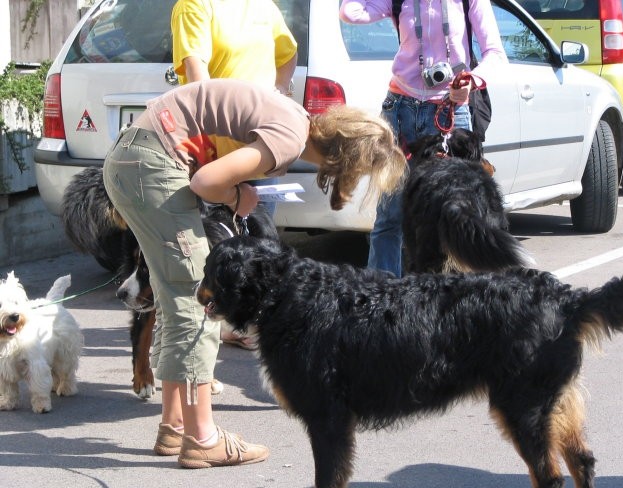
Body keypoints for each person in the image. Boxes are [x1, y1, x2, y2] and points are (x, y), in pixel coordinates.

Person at [102, 78, 406, 468]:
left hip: (135, 158)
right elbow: (206, 181)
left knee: (174, 296)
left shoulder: (295, 117)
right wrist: (237, 196)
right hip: (151, 164)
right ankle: (202, 438)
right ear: (343, 162)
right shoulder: (288, 139)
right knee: (197, 302)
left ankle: (174, 427)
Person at [340, 0, 507, 277]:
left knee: (457, 213)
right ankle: (382, 301)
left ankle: (462, 299)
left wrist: (471, 81)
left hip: (449, 111)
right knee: (389, 217)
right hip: (400, 109)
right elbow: (350, 12)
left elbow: (496, 54)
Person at [171, 0, 298, 349]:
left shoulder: (262, 4)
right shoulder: (193, 5)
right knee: (217, 251)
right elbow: (200, 86)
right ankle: (217, 326)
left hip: (260, 147)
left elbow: (287, 55)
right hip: (215, 155)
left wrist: (279, 93)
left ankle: (249, 322)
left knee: (258, 246)